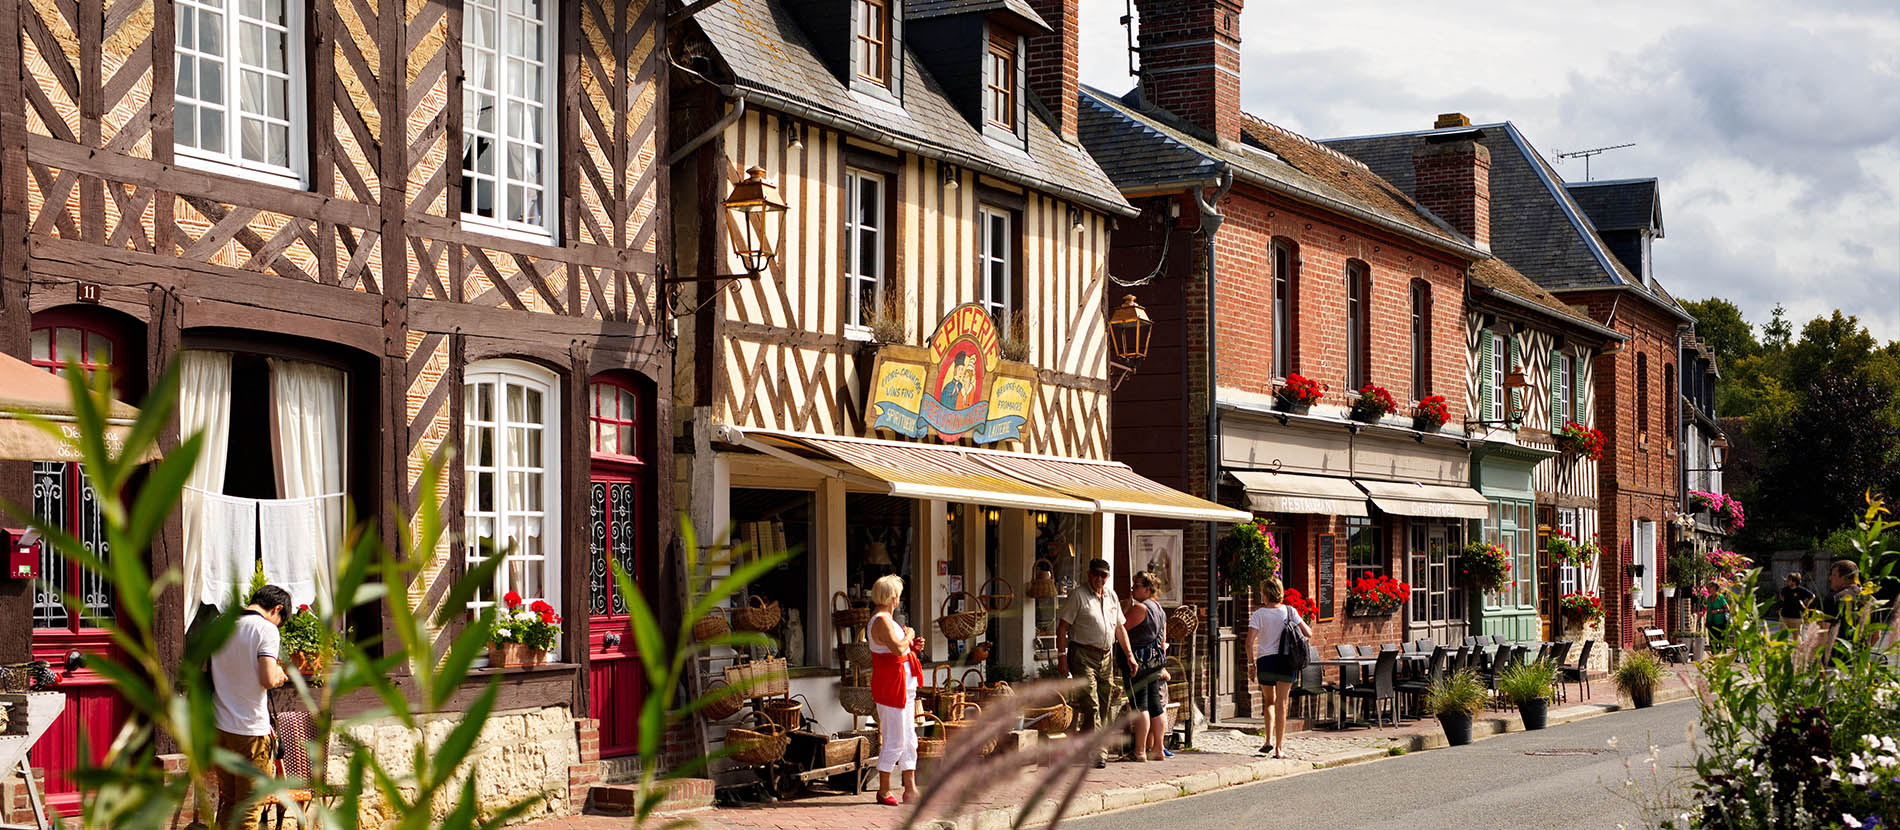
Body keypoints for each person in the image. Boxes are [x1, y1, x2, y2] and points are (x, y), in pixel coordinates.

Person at [211, 585, 291, 829]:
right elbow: (267, 679)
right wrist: (280, 675)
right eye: (280, 620)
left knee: (230, 802)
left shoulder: (221, 625)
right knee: (249, 808)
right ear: (277, 609)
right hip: (250, 732)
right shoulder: (265, 629)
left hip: (220, 727)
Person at [1056, 558, 1137, 768]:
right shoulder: (1078, 595)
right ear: (1088, 574)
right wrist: (1062, 657)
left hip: (1106, 656)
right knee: (1091, 705)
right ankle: (1098, 753)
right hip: (1082, 654)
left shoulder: (1112, 596)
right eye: (1096, 574)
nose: (1099, 579)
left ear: (1108, 577)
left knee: (1105, 704)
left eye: (1103, 575)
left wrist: (1129, 655)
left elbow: (1120, 628)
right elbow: (1063, 628)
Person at [867, 574, 924, 806]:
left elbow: (900, 649)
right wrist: (908, 636)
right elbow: (898, 649)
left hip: (902, 684)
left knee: (909, 739)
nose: (899, 599)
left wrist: (913, 645)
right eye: (898, 595)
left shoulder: (886, 620)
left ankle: (910, 789)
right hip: (892, 686)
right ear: (892, 597)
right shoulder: (881, 620)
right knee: (895, 739)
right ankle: (883, 789)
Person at [1244, 577, 1310, 760]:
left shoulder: (1258, 614)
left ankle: (1268, 740)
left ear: (1264, 594)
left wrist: (1251, 664)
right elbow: (1308, 633)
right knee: (1282, 703)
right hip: (1286, 661)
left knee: (1269, 702)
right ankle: (1279, 748)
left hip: (1266, 661)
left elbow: (1249, 643)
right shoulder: (1290, 611)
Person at [1121, 571, 1168, 762]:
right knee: (1156, 706)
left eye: (1136, 586)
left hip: (1138, 664)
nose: (1133, 589)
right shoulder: (1159, 608)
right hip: (1155, 663)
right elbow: (1163, 639)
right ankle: (1158, 749)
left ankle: (1139, 751)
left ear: (1147, 589)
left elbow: (1121, 627)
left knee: (1140, 706)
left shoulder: (1140, 608)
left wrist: (1124, 609)